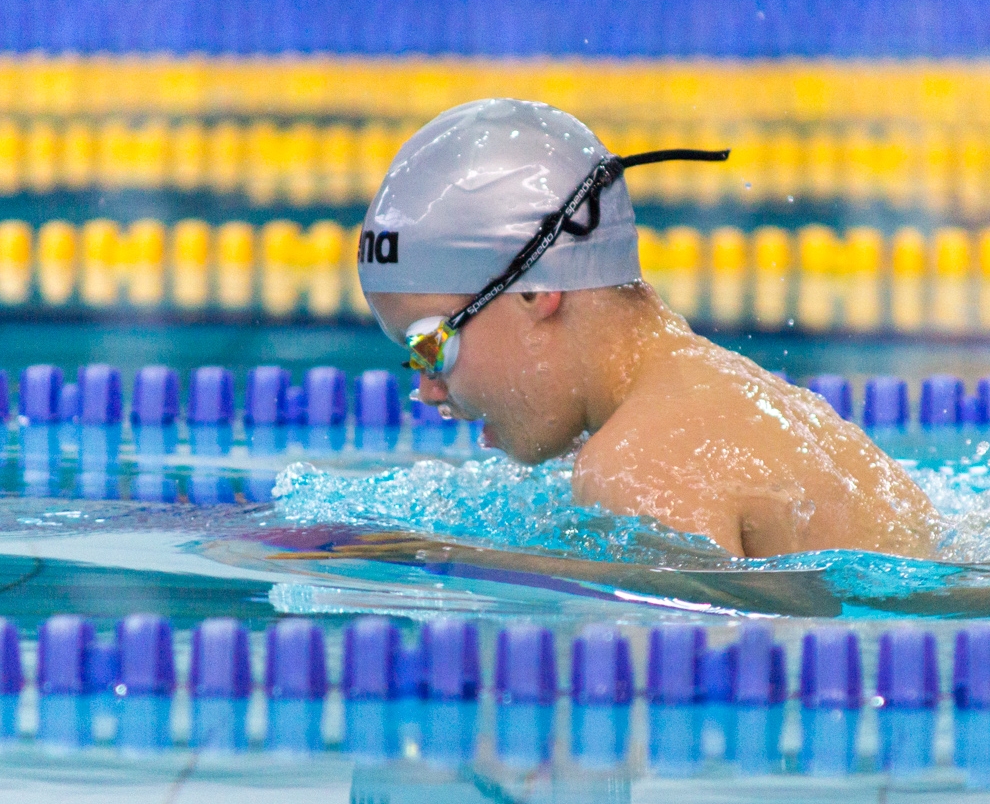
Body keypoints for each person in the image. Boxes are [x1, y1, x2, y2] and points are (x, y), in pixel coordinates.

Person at [357, 97, 942, 562]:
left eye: (431, 345)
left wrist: (440, 561)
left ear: (534, 292)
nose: (428, 389)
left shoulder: (634, 464)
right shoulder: (737, 398)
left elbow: (686, 689)